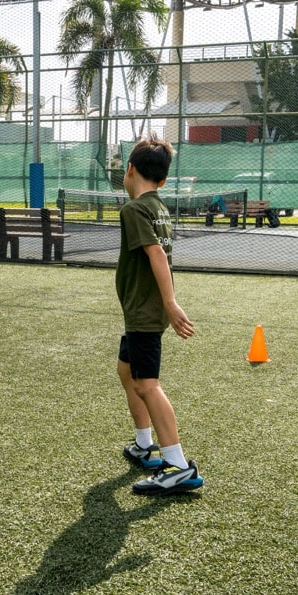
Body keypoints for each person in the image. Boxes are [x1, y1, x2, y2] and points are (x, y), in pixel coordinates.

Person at [115, 135, 203, 494]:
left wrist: (170, 303)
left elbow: (155, 255)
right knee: (126, 371)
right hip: (142, 312)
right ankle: (143, 444)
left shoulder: (134, 210)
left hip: (145, 314)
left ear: (129, 170)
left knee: (147, 384)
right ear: (163, 180)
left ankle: (178, 465)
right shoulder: (158, 206)